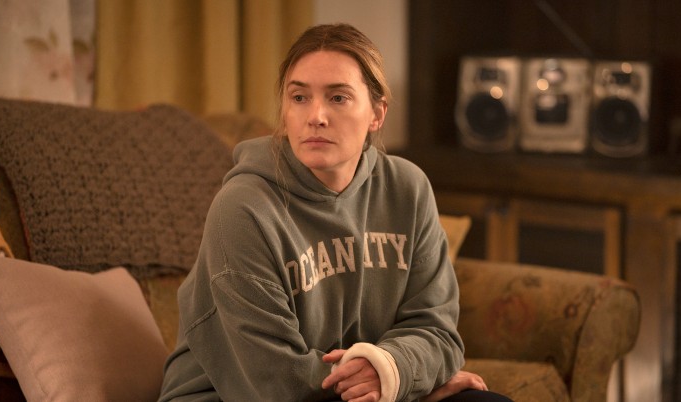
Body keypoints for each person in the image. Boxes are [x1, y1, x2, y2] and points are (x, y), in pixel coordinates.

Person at [159, 23, 512, 402]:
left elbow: (439, 332)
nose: (316, 116)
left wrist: (394, 372)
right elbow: (271, 380)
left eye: (338, 97)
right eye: (299, 97)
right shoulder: (243, 208)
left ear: (377, 113)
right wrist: (399, 381)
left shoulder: (407, 189)